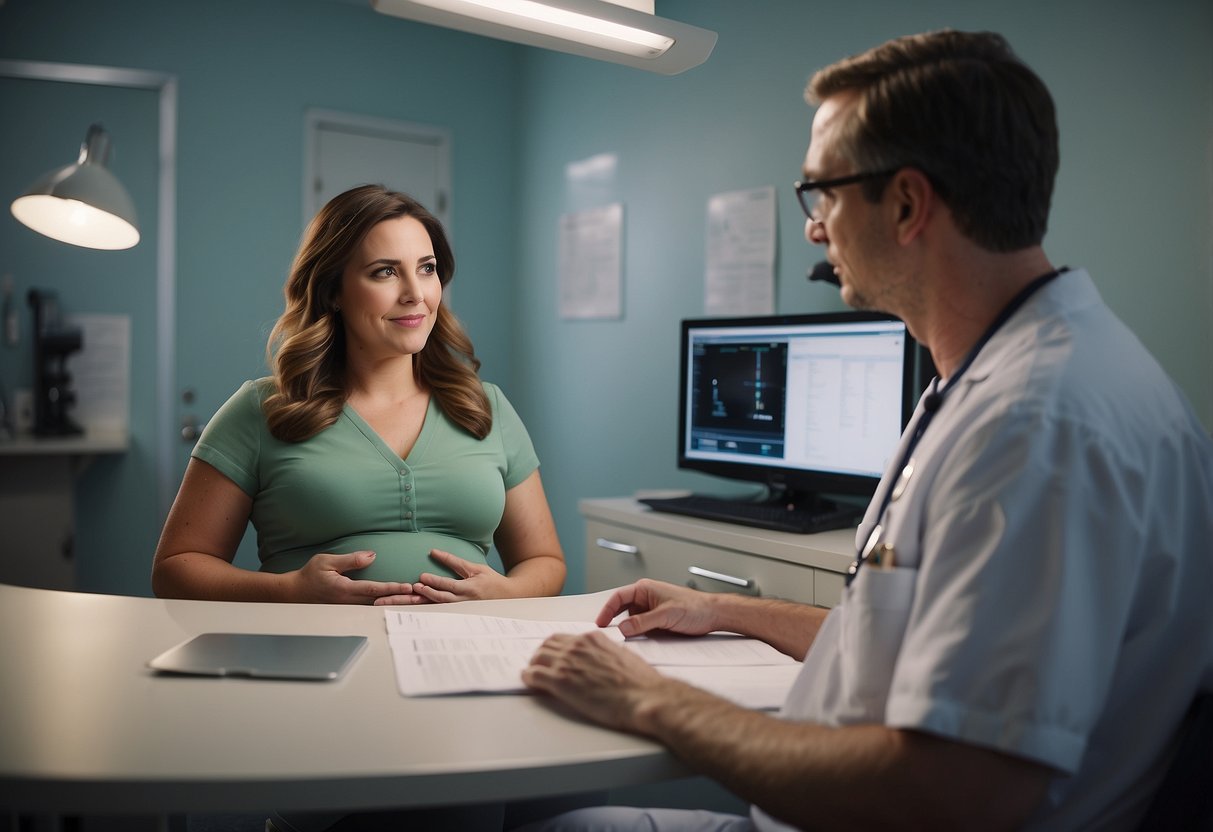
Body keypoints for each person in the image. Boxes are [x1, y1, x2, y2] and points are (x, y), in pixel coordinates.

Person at [520, 29, 1213, 830]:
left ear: (909, 204)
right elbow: (903, 639)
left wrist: (646, 698)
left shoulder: (1033, 429)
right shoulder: (1006, 376)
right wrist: (724, 610)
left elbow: (953, 788)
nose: (814, 229)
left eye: (823, 194)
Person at [153, 184, 566, 605]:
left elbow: (544, 560)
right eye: (385, 271)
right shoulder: (264, 410)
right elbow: (176, 568)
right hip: (315, 655)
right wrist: (290, 590)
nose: (416, 294)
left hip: (461, 655)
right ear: (333, 290)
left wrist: (508, 592)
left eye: (427, 268)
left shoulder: (486, 406)